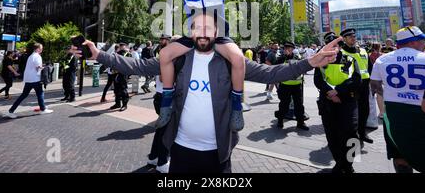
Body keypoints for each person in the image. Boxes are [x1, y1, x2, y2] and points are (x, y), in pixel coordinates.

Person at [74, 12, 340, 173]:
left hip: (219, 152)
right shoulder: (178, 60)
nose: (202, 33)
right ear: (190, 33)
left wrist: (307, 63)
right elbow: (138, 66)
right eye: (196, 28)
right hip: (180, 150)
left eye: (207, 29)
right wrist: (99, 54)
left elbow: (270, 74)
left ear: (216, 33)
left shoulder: (230, 61)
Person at [113, 0, 300, 132]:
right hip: (193, 35)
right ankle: (167, 102)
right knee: (166, 55)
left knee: (237, 58)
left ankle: (236, 104)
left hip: (217, 36)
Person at [370, 26, 425, 173]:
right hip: (423, 112)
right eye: (422, 40)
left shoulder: (382, 59)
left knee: (399, 155)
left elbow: (375, 85)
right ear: (412, 42)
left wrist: (392, 93)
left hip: (393, 113)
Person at [314, 31, 361, 173]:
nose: (332, 49)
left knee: (351, 133)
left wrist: (338, 91)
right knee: (332, 135)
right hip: (328, 101)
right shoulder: (321, 61)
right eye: (330, 46)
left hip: (347, 101)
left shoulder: (350, 60)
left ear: (340, 46)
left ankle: (348, 164)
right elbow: (318, 80)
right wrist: (330, 92)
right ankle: (340, 163)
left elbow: (356, 79)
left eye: (335, 46)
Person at [340, 28, 374, 145]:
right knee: (352, 112)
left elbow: (370, 67)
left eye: (354, 36)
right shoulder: (342, 53)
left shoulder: (363, 51)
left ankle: (362, 132)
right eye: (350, 37)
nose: (353, 38)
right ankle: (352, 135)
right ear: (344, 39)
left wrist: (371, 80)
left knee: (365, 110)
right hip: (350, 86)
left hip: (364, 84)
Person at [3, 43, 53, 118]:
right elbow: (38, 68)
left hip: (28, 79)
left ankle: (11, 111)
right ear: (37, 49)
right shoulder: (37, 56)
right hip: (35, 79)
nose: (42, 49)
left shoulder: (31, 56)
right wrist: (46, 67)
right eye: (41, 48)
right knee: (40, 94)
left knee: (23, 95)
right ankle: (43, 109)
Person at [148, 34, 174, 173]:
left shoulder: (162, 55)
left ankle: (154, 157)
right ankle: (162, 162)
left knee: (161, 130)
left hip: (161, 96)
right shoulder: (167, 57)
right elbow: (164, 79)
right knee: (166, 131)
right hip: (165, 98)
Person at [275, 42, 308, 130]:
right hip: (285, 86)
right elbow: (275, 70)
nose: (287, 50)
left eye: (289, 49)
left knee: (299, 105)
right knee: (284, 105)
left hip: (297, 86)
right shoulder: (281, 59)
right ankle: (280, 121)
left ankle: (300, 122)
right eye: (285, 49)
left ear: (293, 49)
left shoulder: (298, 58)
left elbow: (303, 68)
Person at [110, 44, 130, 111]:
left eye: (123, 46)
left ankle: (125, 105)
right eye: (120, 46)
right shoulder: (116, 54)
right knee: (116, 90)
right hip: (115, 73)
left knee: (123, 90)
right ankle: (117, 103)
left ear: (125, 46)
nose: (121, 47)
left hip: (123, 74)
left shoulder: (127, 54)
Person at [368, 42, 384, 119]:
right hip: (382, 75)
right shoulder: (382, 55)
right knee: (383, 94)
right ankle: (384, 111)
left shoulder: (369, 55)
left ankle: (381, 112)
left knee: (378, 94)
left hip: (373, 75)